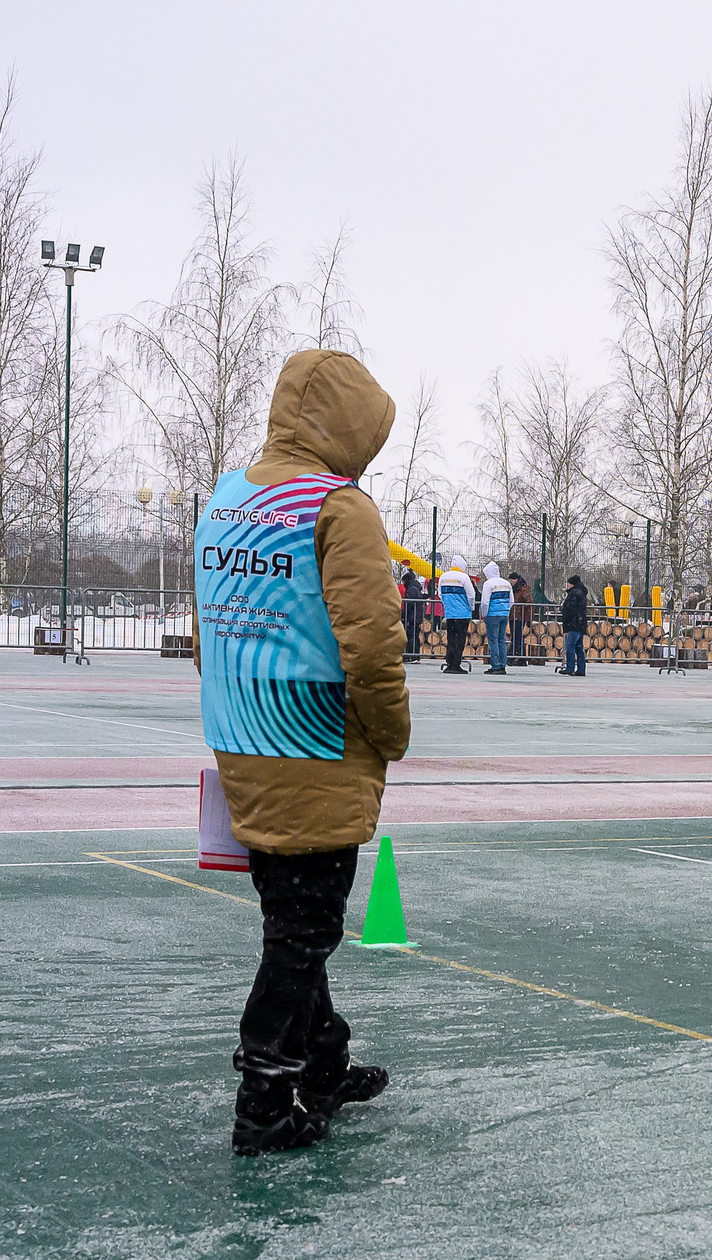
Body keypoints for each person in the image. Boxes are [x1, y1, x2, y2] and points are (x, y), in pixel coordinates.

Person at [194, 349, 409, 1155]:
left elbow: (208, 627)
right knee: (305, 929)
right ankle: (265, 1097)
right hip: (316, 746)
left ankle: (323, 1059)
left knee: (291, 915)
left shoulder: (230, 496)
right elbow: (372, 645)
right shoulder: (340, 508)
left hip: (243, 739)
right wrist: (391, 731)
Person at [436, 558, 475, 673]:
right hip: (462, 613)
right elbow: (471, 595)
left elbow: (440, 594)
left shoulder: (443, 577)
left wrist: (448, 605)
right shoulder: (464, 577)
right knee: (460, 639)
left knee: (451, 638)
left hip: (450, 613)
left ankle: (450, 663)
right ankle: (456, 664)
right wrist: (471, 608)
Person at [391, 544, 429, 660]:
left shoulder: (411, 589)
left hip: (412, 617)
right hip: (415, 617)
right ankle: (412, 654)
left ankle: (412, 654)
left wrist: (404, 615)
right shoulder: (414, 588)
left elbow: (410, 604)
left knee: (412, 635)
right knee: (413, 635)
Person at [478, 562, 512, 674]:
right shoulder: (507, 583)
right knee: (502, 640)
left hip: (493, 614)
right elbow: (511, 601)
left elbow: (485, 602)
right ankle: (503, 665)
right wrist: (506, 610)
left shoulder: (489, 584)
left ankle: (495, 665)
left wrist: (485, 613)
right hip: (504, 614)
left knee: (493, 641)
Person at [559, 574, 589, 675]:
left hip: (574, 623)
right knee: (579, 647)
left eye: (569, 583)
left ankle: (570, 667)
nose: (567, 585)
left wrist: (563, 610)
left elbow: (570, 609)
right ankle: (581, 669)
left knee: (570, 645)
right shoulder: (581, 593)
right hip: (580, 623)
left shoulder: (574, 594)